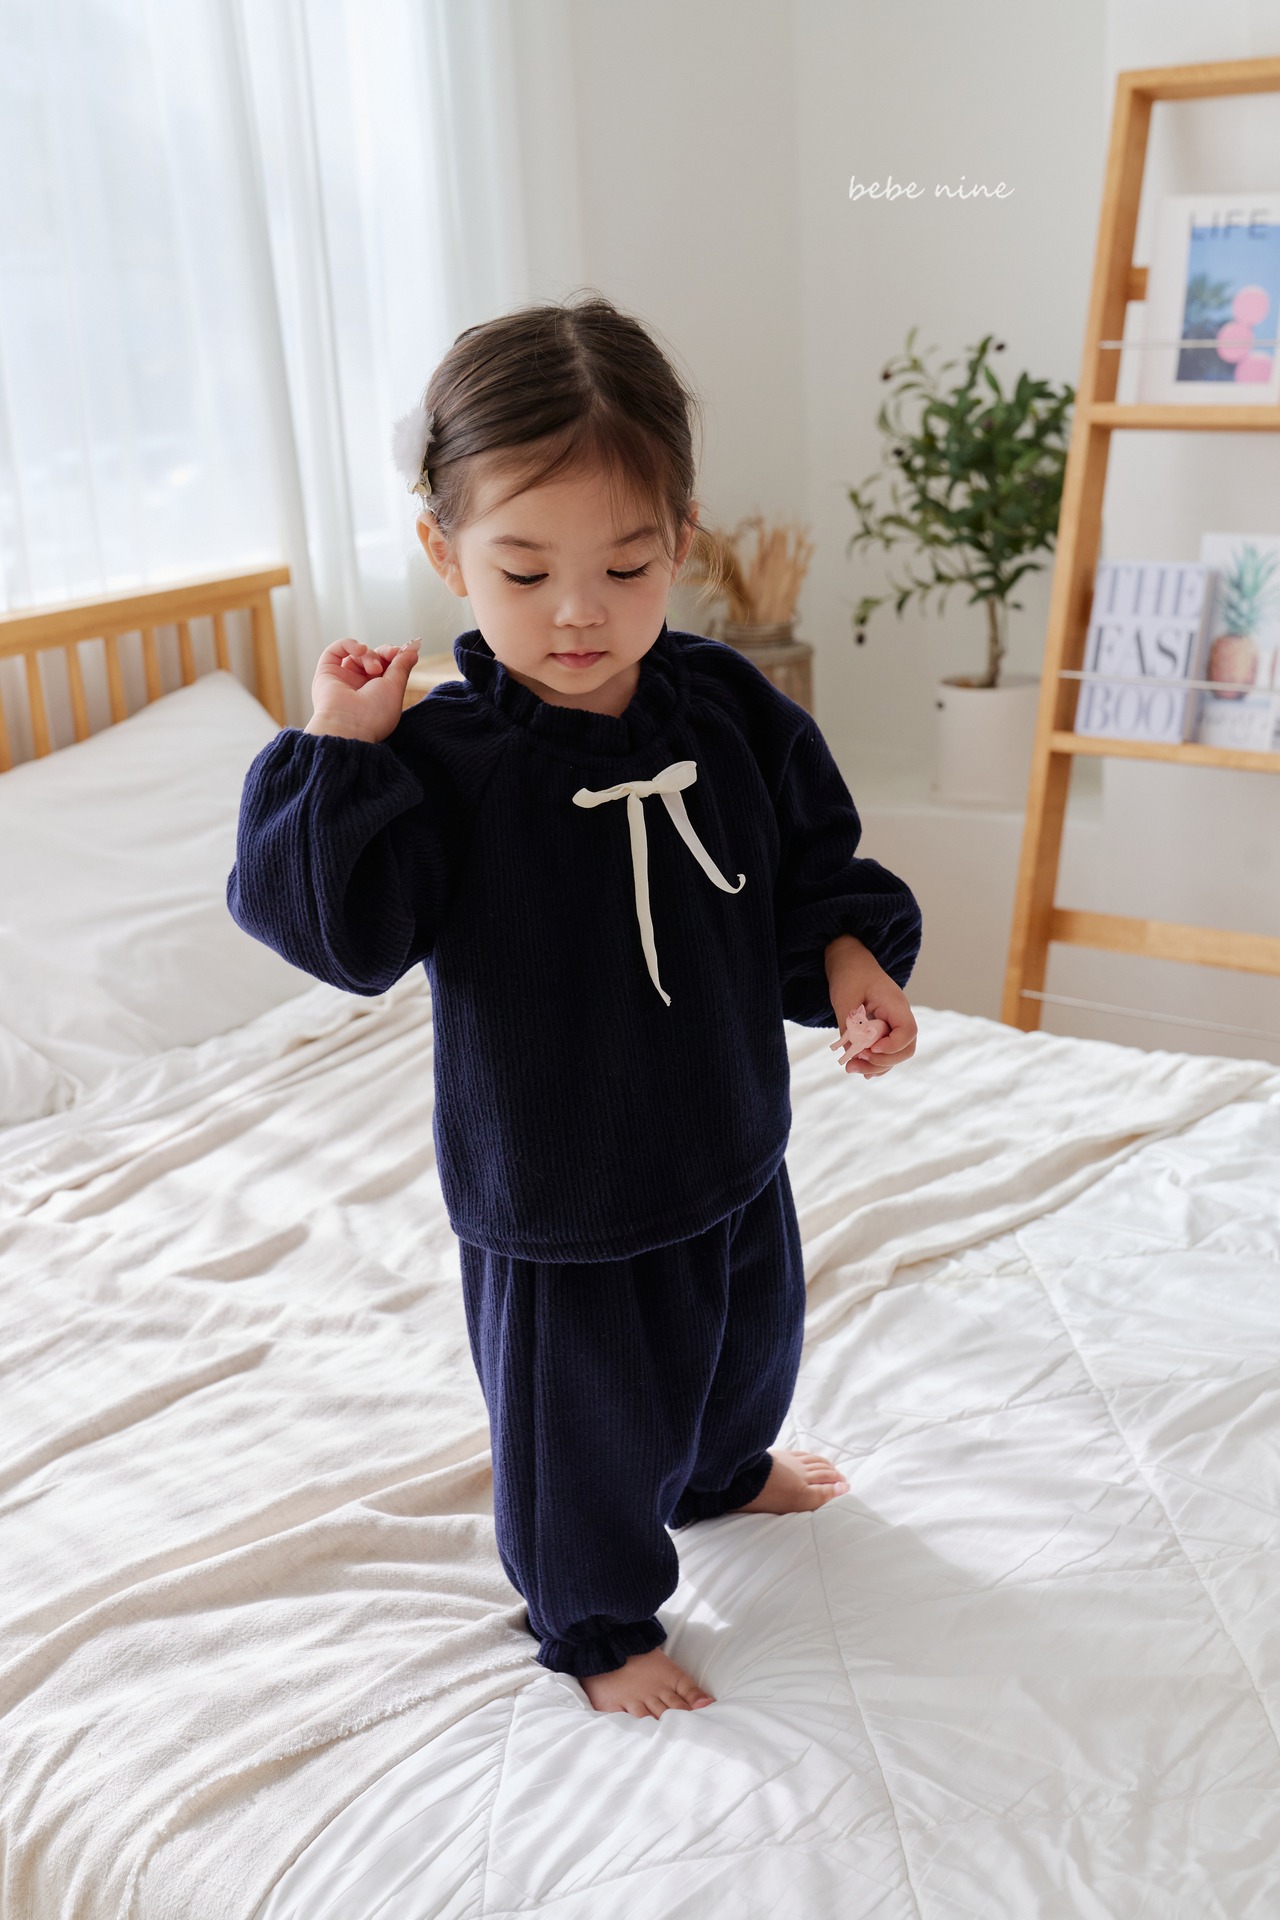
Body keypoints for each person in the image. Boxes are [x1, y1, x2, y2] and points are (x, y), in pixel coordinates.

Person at [227, 292, 923, 1722]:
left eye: (625, 565)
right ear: (446, 553)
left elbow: (810, 865)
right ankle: (596, 1620)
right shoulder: (442, 759)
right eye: (525, 569)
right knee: (581, 1422)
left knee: (748, 1340)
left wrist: (852, 962)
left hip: (729, 1131)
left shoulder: (726, 707)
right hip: (558, 1184)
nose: (578, 611)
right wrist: (339, 755)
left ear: (681, 541)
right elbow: (338, 935)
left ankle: (721, 1471)